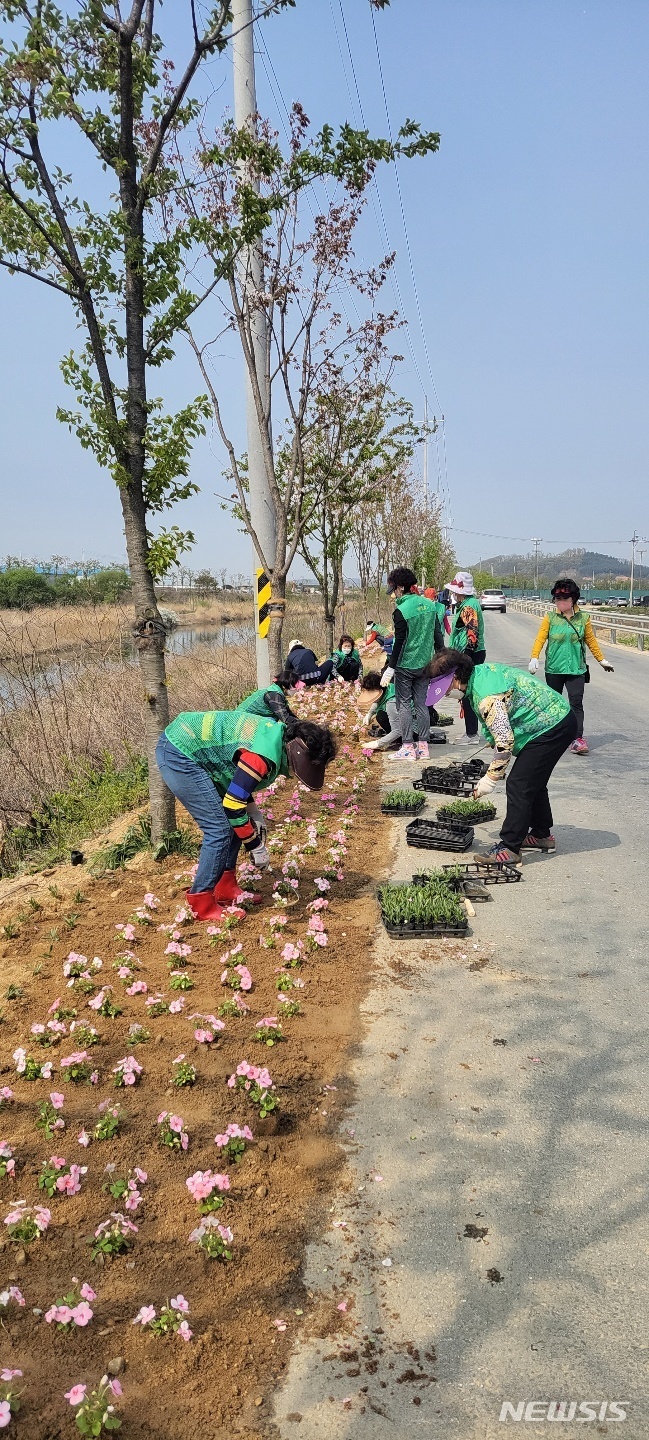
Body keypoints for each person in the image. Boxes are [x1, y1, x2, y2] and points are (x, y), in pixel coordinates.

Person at [156, 708, 336, 921]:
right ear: (298, 753)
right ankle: (201, 902)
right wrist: (256, 846)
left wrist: (253, 811)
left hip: (193, 746)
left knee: (236, 823)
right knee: (219, 828)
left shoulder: (275, 738)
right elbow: (232, 805)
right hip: (180, 751)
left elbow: (237, 783)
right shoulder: (261, 756)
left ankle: (225, 885)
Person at [428, 648, 578, 864]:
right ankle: (541, 835)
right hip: (554, 719)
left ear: (458, 676)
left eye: (447, 687)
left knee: (518, 784)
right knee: (533, 780)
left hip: (551, 725)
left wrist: (489, 779)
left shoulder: (486, 697)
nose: (447, 694)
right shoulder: (478, 675)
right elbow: (497, 721)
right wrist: (492, 735)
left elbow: (505, 743)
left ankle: (509, 847)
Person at [528, 578, 614, 755]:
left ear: (573, 599)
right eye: (557, 599)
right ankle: (553, 736)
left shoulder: (583, 618)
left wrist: (601, 660)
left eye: (564, 599)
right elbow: (540, 638)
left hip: (576, 669)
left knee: (576, 703)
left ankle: (577, 739)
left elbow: (590, 641)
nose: (560, 603)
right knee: (553, 704)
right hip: (554, 668)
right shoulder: (550, 618)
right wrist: (534, 657)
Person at [381, 567, 446, 761]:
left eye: (394, 590)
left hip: (406, 666)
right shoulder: (430, 606)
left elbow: (399, 643)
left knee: (403, 705)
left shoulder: (401, 611)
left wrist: (390, 668)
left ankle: (408, 746)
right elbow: (437, 635)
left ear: (401, 587)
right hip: (425, 666)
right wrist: (441, 658)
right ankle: (423, 747)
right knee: (421, 704)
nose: (393, 594)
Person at [448, 571, 486, 745]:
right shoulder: (467, 604)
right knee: (466, 693)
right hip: (469, 653)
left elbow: (472, 634)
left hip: (470, 653)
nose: (453, 594)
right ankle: (471, 732)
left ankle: (472, 734)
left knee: (466, 692)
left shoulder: (469, 607)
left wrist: (466, 659)